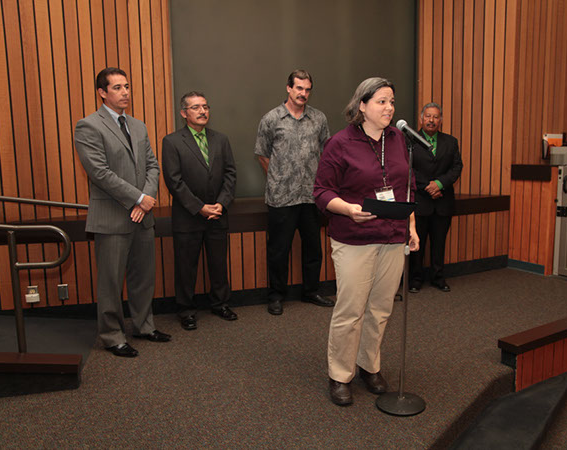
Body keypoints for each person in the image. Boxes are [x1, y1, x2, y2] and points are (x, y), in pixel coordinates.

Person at [314, 77, 419, 406]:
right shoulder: (340, 143)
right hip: (355, 238)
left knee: (380, 309)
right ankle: (339, 374)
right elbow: (321, 192)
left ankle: (368, 366)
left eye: (392, 102)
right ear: (362, 105)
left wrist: (411, 225)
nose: (389, 108)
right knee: (351, 310)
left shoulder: (399, 138)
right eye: (382, 102)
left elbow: (407, 186)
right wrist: (347, 209)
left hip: (392, 236)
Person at [74, 67, 170, 358]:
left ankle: (144, 325)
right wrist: (138, 198)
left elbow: (153, 165)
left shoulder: (139, 126)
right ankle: (112, 335)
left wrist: (148, 197)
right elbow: (99, 173)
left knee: (143, 277)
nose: (125, 92)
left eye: (127, 86)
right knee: (111, 282)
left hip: (143, 216)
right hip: (112, 218)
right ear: (102, 92)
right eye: (117, 87)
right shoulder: (88, 125)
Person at [254, 69, 334, 315]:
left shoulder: (319, 119)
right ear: (289, 88)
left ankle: (311, 291)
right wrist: (279, 177)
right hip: (281, 198)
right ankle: (276, 295)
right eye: (299, 88)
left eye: (307, 89)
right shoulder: (272, 119)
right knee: (279, 250)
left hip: (312, 196)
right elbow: (262, 153)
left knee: (313, 248)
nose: (303, 94)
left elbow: (327, 152)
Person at [162, 92, 237, 331]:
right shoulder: (172, 142)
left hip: (217, 213)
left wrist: (221, 204)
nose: (203, 111)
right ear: (184, 113)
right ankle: (186, 310)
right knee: (186, 267)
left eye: (205, 106)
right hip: (188, 216)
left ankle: (220, 303)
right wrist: (199, 208)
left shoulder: (221, 139)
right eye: (196, 108)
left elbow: (230, 174)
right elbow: (174, 182)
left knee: (218, 264)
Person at [409, 102, 463, 293]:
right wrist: (428, 186)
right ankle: (415, 280)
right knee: (417, 244)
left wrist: (439, 184)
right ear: (421, 119)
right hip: (420, 202)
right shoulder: (410, 141)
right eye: (428, 116)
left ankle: (438, 278)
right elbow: (408, 169)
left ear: (441, 120)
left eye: (436, 117)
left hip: (443, 202)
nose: (431, 120)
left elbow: (457, 167)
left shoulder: (451, 142)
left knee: (439, 243)